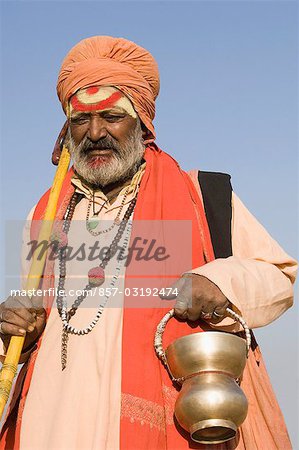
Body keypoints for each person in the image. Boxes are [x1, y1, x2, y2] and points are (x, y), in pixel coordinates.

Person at [0, 36, 297, 450]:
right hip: (54, 421)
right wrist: (21, 327)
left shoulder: (200, 195)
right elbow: (43, 313)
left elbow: (279, 276)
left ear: (141, 120)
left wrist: (220, 281)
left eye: (111, 116)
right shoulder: (47, 211)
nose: (96, 133)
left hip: (166, 423)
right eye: (81, 121)